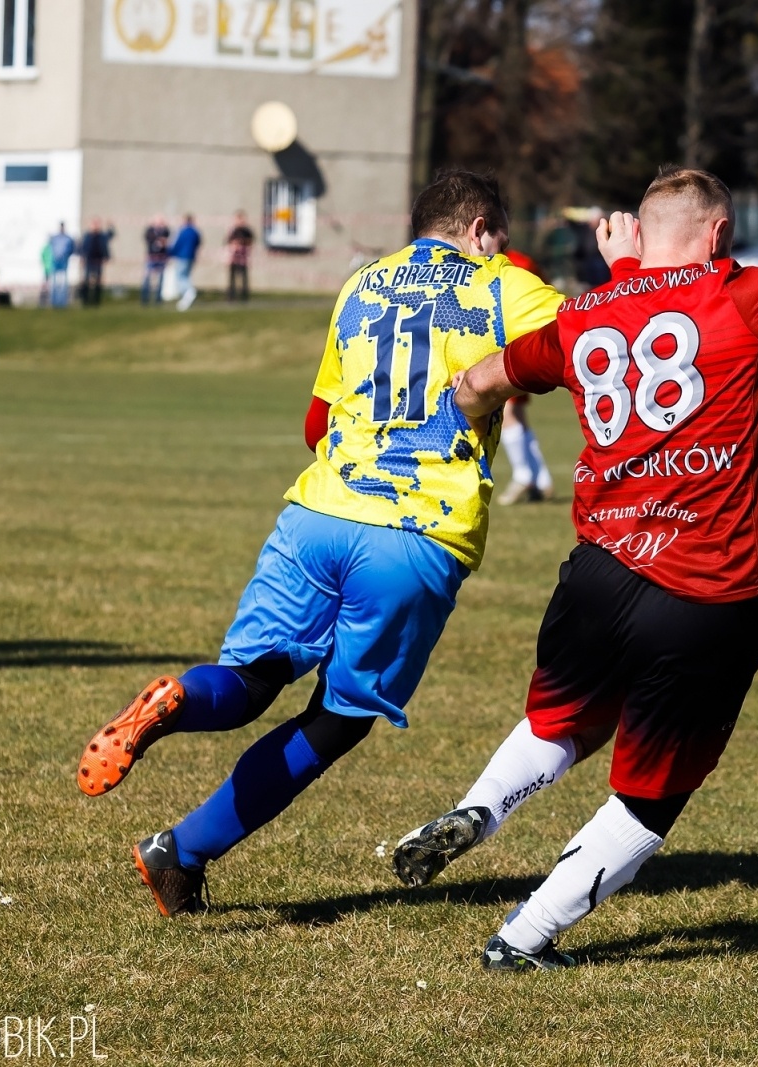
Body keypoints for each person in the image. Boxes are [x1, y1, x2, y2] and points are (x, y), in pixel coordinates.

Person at [388, 151, 758, 971]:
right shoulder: (738, 293)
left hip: (597, 575)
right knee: (649, 794)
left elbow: (479, 382)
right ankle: (521, 938)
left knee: (563, 722)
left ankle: (477, 809)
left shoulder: (587, 311)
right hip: (706, 592)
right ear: (719, 233)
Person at [75, 171, 579, 919]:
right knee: (338, 717)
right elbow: (604, 342)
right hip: (415, 534)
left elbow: (317, 423)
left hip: (316, 514)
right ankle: (184, 848)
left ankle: (177, 702)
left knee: (248, 680)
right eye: (498, 237)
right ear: (479, 229)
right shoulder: (501, 284)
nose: (501, 249)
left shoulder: (361, 284)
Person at [496, 246, 555, 505]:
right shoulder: (525, 260)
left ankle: (523, 475)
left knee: (507, 412)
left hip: (511, 347)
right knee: (517, 414)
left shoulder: (504, 265)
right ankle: (541, 479)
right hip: (527, 344)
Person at [170, 213, 202, 311]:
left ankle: (189, 293)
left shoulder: (182, 231)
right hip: (191, 257)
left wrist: (170, 253)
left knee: (180, 276)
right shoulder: (195, 232)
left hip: (182, 257)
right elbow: (198, 243)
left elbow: (177, 244)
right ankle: (188, 294)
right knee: (186, 276)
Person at [79, 219, 113, 306]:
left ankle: (96, 302)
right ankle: (85, 301)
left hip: (98, 261)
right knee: (86, 281)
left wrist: (110, 226)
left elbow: (111, 235)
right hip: (89, 261)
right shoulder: (87, 236)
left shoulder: (102, 236)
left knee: (98, 281)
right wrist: (82, 258)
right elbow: (83, 247)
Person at [140, 216, 170, 306]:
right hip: (151, 258)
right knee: (146, 279)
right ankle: (145, 300)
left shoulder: (165, 231)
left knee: (161, 280)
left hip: (161, 258)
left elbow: (166, 241)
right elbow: (148, 240)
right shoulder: (149, 231)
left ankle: (158, 300)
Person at [227, 211, 254, 301]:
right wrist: (233, 245)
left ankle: (244, 296)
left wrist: (241, 243)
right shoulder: (233, 230)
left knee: (243, 277)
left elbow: (250, 241)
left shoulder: (246, 231)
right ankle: (231, 296)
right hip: (234, 257)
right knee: (232, 278)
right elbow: (228, 241)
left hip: (243, 258)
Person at [47, 223, 76, 309]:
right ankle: (54, 302)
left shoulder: (68, 238)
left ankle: (63, 303)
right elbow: (50, 248)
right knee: (55, 283)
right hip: (55, 262)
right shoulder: (54, 238)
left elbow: (71, 249)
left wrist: (66, 256)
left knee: (63, 283)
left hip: (64, 262)